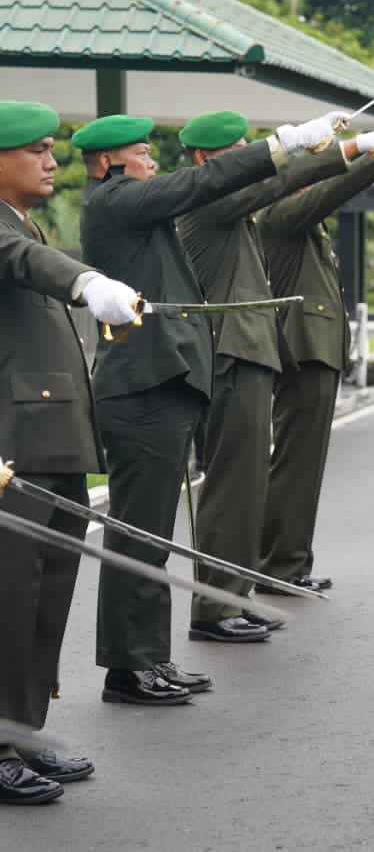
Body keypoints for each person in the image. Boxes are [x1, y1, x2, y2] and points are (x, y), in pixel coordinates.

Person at [76, 108, 342, 703]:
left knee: (151, 534)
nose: (151, 160)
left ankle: (147, 658)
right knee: (136, 535)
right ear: (107, 163)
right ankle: (128, 666)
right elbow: (204, 182)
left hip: (163, 382)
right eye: (142, 153)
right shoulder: (115, 200)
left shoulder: (136, 205)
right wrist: (287, 143)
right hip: (141, 386)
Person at [177, 113, 374, 640]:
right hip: (232, 352)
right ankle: (217, 604)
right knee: (232, 484)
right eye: (238, 151)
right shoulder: (212, 199)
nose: (252, 159)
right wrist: (360, 151)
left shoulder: (237, 206)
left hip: (252, 349)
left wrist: (364, 154)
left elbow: (287, 181)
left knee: (247, 482)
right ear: (206, 161)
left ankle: (235, 591)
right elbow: (286, 182)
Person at [0, 101, 140, 804]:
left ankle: (24, 733)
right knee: (9, 602)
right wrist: (87, 281)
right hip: (12, 448)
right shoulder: (7, 234)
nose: (52, 161)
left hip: (48, 440)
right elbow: (27, 263)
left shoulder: (24, 222)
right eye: (36, 150)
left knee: (45, 598)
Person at [257, 133, 374, 592]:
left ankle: (292, 562)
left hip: (318, 352)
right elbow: (334, 190)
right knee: (294, 464)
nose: (316, 179)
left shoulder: (302, 221)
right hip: (305, 351)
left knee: (304, 466)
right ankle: (279, 566)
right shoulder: (281, 213)